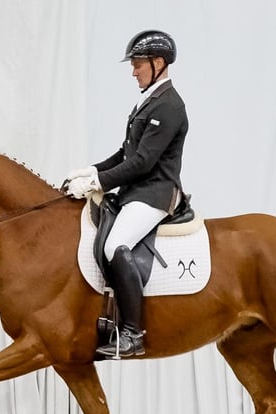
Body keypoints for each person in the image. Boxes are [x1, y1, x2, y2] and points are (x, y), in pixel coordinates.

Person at [66, 29, 189, 358]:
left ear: (158, 63)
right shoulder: (147, 100)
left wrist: (99, 183)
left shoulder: (169, 105)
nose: (133, 71)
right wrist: (92, 170)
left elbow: (143, 161)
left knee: (114, 245)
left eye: (138, 64)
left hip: (156, 192)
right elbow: (125, 152)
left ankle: (132, 333)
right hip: (137, 190)